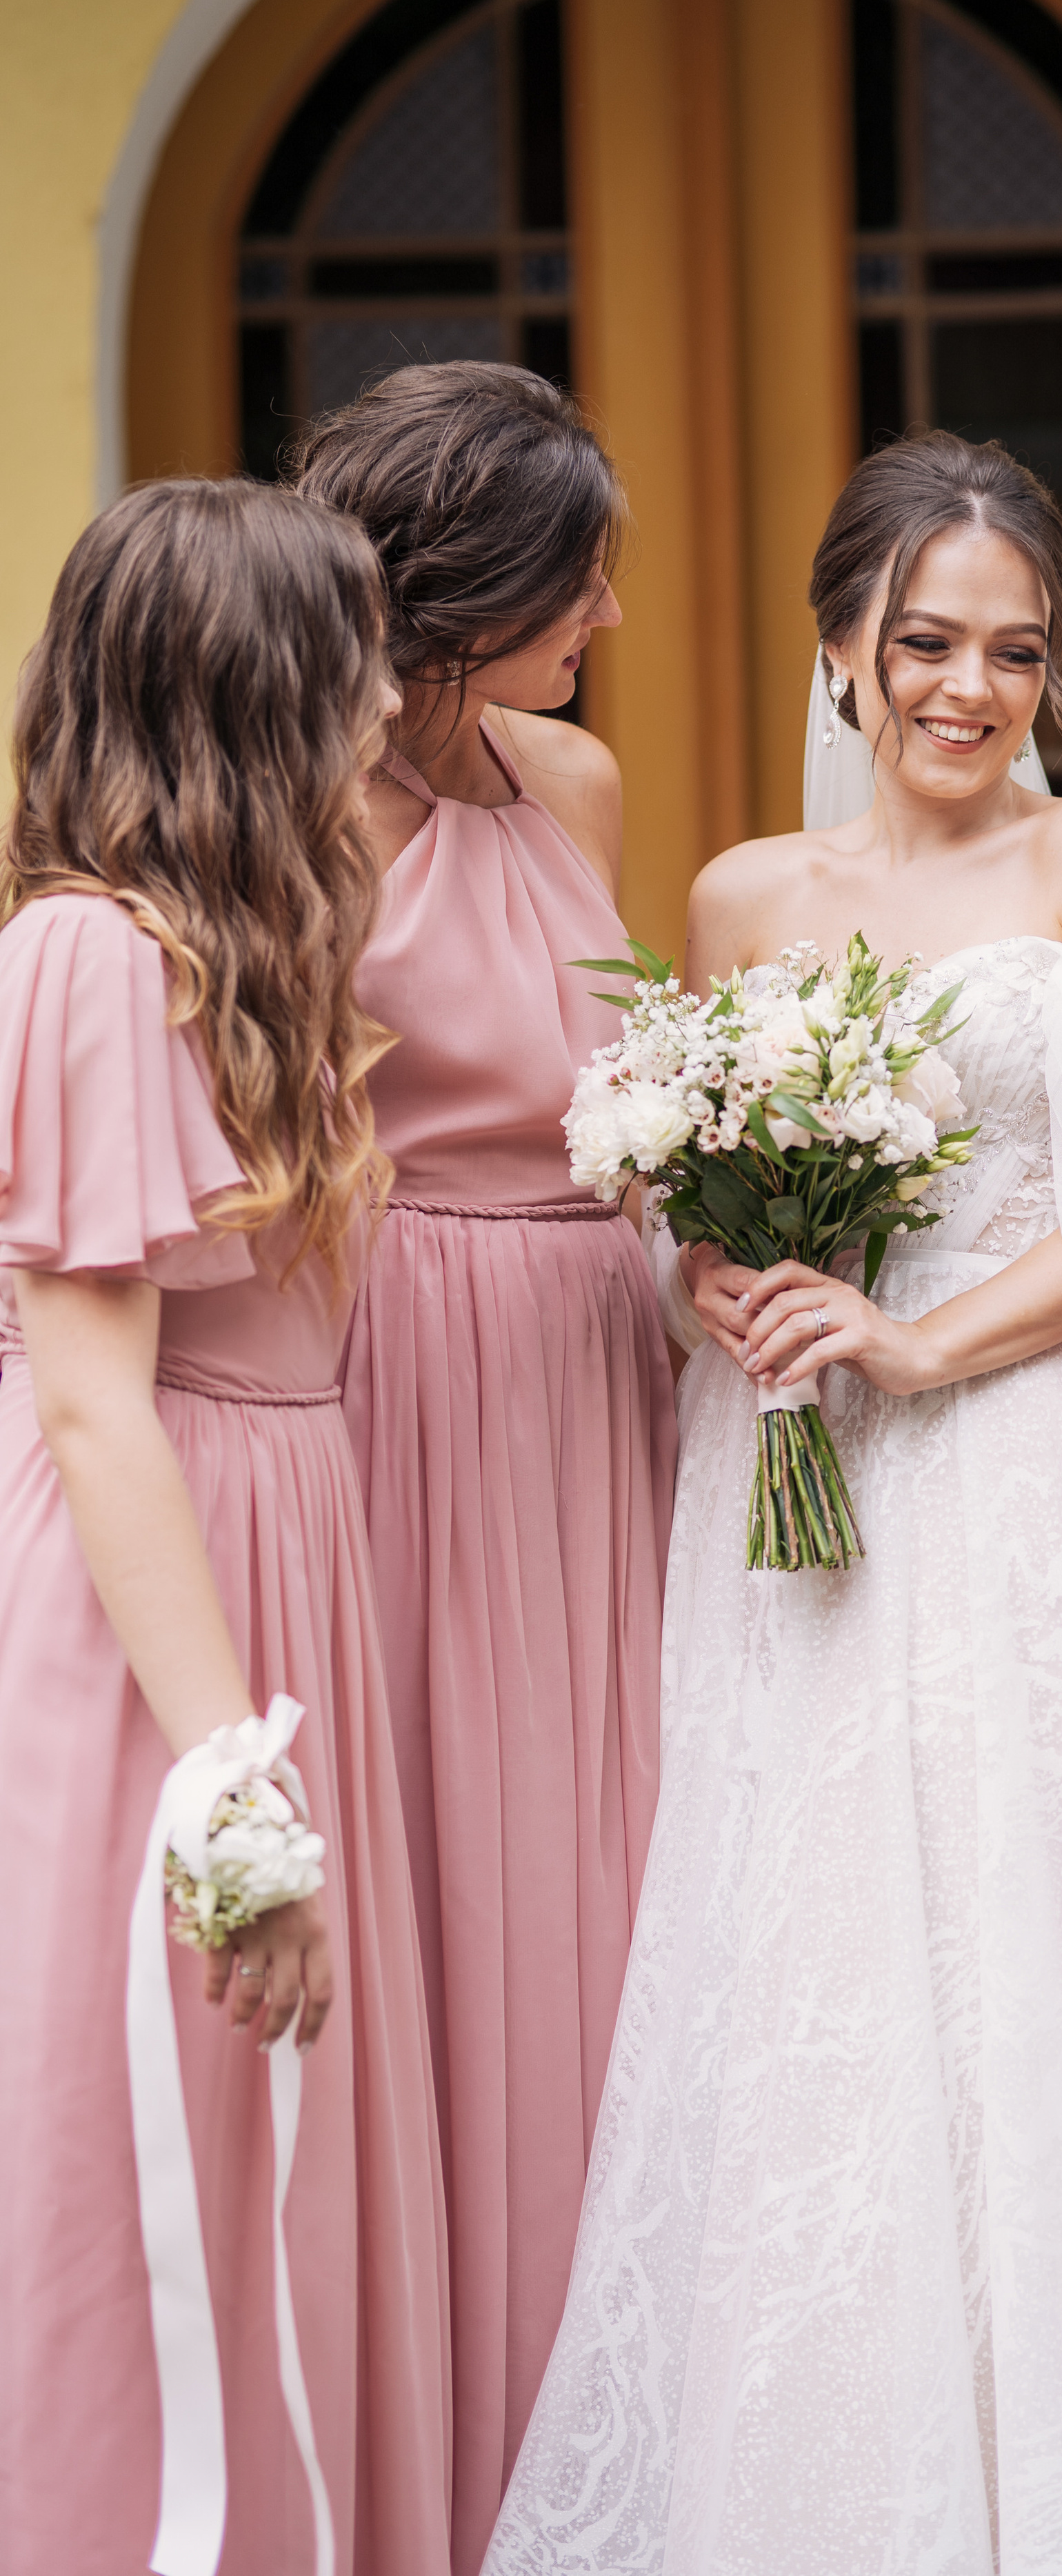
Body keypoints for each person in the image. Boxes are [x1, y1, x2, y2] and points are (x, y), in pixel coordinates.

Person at [487, 431, 1062, 2575]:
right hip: (786, 1482)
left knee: (1040, 1935)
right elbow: (673, 1194)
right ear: (842, 644)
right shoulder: (741, 897)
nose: (968, 688)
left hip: (1020, 1462)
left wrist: (923, 1345)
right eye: (925, 641)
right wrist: (710, 1267)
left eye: (1014, 650)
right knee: (811, 1949)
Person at [0, 479, 450, 2575]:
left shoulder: (253, 938)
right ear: (257, 693)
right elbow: (95, 1401)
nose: (391, 693)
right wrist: (235, 1813)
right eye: (357, 652)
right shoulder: (86, 958)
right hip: (148, 1615)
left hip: (270, 1574)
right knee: (146, 2156)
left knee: (262, 2152)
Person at [290, 363, 677, 2573]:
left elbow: (616, 1081)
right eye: (574, 573)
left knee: (620, 1872)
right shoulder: (298, 808)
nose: (609, 607)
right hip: (401, 1387)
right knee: (442, 1867)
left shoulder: (579, 780)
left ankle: (609, 2430)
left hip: (600, 1381)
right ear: (457, 596)